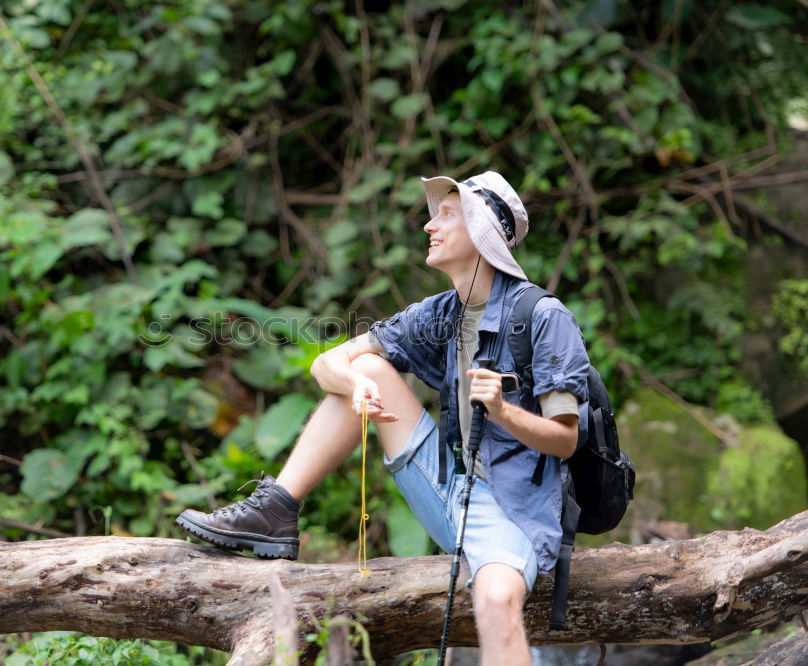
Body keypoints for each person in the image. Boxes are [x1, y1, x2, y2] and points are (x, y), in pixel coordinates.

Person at [176, 171, 590, 665]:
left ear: (483, 233)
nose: (429, 226)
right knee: (366, 365)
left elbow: (566, 441)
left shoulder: (544, 318)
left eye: (447, 215)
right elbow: (324, 363)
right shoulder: (439, 314)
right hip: (450, 488)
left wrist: (501, 411)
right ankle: (277, 510)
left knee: (498, 600)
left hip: (515, 509)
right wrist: (357, 385)